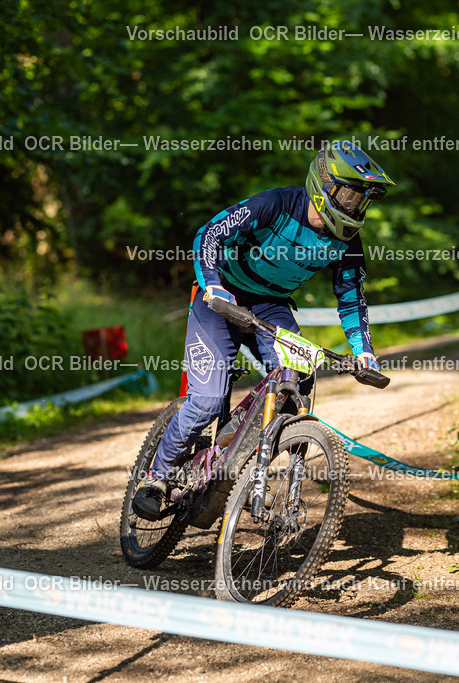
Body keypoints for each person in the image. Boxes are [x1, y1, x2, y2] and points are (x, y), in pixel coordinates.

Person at [132, 140, 395, 521]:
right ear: (324, 183)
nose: (355, 205)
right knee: (206, 400)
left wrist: (363, 349)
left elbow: (352, 298)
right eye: (350, 194)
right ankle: (156, 479)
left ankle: (235, 458)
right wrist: (213, 284)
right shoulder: (277, 204)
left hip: (272, 307)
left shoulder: (347, 242)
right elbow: (209, 234)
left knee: (296, 387)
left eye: (361, 200)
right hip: (221, 301)